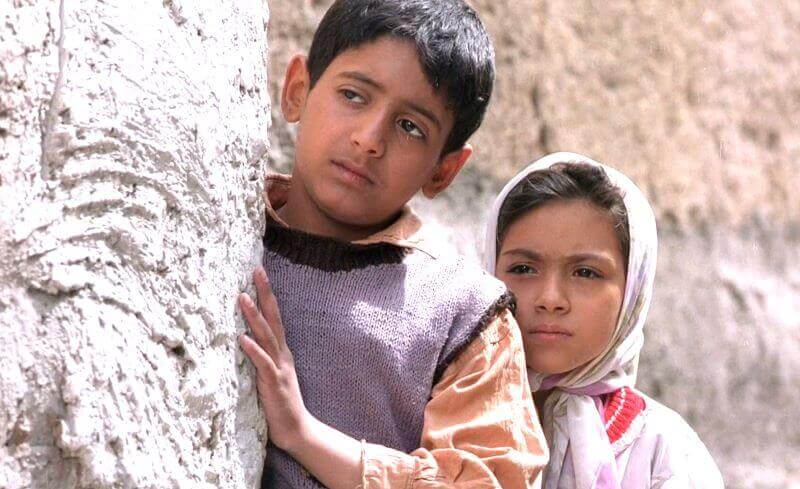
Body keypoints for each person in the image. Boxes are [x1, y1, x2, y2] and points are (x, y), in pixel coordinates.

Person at [236, 1, 547, 488]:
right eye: (354, 95)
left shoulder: (465, 314)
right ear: (298, 89)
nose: (369, 139)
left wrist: (304, 435)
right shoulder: (217, 228)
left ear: (443, 170)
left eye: (410, 127)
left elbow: (489, 479)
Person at [482, 152, 724, 488]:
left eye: (585, 272)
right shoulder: (451, 420)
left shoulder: (664, 452)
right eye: (523, 269)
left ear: (631, 292)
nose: (550, 299)